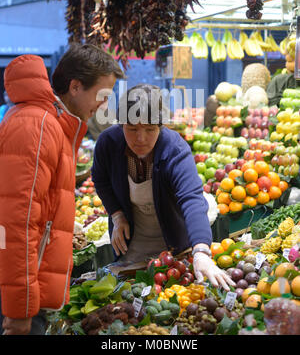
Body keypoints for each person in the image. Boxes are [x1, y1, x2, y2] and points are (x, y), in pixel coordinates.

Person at [0, 43, 124, 335]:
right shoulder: (37, 125)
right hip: (21, 299)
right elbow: (18, 223)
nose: (104, 106)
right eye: (102, 95)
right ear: (76, 86)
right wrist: (20, 311)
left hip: (32, 288)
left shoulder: (53, 124)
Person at [92, 84, 235, 291]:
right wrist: (117, 214)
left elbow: (192, 199)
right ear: (121, 124)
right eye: (132, 129)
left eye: (150, 129)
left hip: (174, 243)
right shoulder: (109, 143)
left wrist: (201, 252)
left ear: (161, 126)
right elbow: (100, 179)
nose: (140, 138)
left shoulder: (175, 150)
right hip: (133, 243)